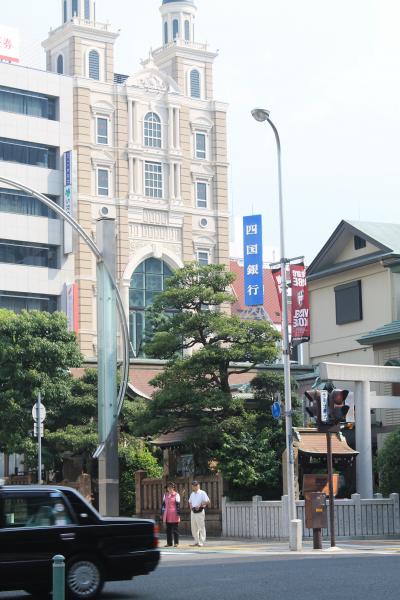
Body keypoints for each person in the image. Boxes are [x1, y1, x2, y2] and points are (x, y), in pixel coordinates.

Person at [189, 480, 210, 547]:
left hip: (200, 511)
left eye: (196, 485)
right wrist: (191, 507)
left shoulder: (202, 493)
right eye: (193, 485)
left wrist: (201, 505)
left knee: (201, 526)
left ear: (198, 485)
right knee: (193, 527)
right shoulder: (192, 494)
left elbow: (208, 501)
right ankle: (196, 541)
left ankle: (201, 541)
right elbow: (190, 501)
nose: (194, 486)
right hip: (193, 511)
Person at [161, 482, 181, 547]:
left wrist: (178, 514)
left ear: (173, 488)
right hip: (167, 514)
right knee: (168, 529)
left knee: (175, 529)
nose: (170, 488)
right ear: (167, 488)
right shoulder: (165, 495)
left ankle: (176, 543)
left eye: (171, 487)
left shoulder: (176, 495)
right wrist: (162, 513)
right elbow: (163, 505)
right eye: (168, 487)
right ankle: (169, 543)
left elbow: (178, 505)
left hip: (174, 513)